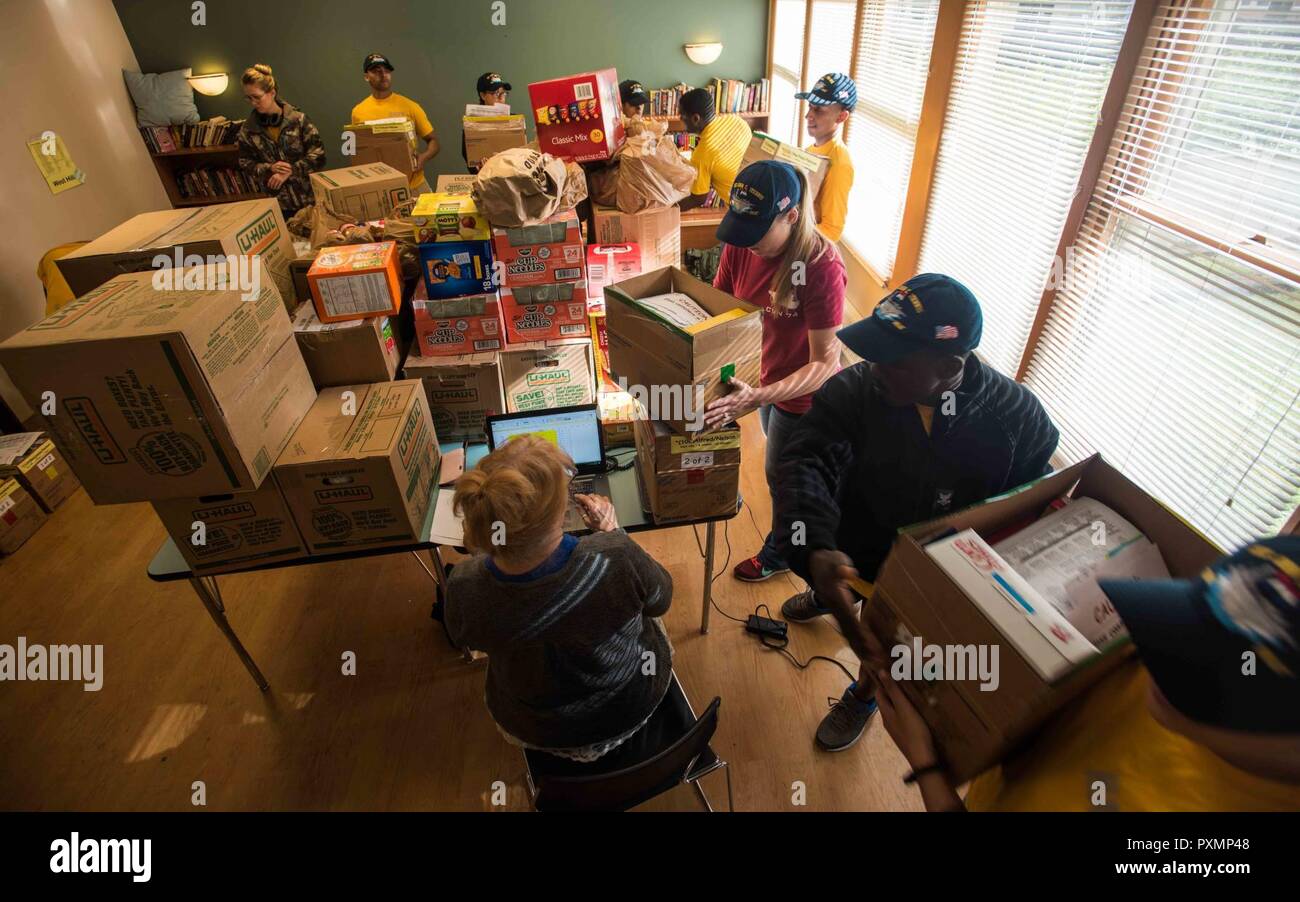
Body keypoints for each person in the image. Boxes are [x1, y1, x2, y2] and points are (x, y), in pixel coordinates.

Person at [775, 274, 1060, 752]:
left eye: (895, 359)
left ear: (950, 364)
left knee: (885, 641)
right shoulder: (857, 391)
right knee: (839, 578)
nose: (875, 366)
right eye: (875, 350)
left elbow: (1031, 494)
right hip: (857, 542)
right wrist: (816, 546)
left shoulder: (1017, 416)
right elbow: (805, 462)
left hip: (933, 572)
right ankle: (829, 592)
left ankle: (864, 694)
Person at [873, 535, 1300, 811]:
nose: (1161, 658)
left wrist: (926, 766)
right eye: (1178, 628)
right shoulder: (1150, 670)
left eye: (1199, 671)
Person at [444, 435, 675, 762]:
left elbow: (463, 636)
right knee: (645, 601)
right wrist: (612, 535)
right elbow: (661, 600)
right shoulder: (615, 557)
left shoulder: (465, 585)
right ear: (561, 510)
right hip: (628, 708)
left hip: (533, 727)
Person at [699, 161, 845, 586]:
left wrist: (758, 396)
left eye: (757, 232)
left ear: (792, 216)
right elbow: (720, 307)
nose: (746, 244)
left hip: (804, 397)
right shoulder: (742, 245)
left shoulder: (821, 267)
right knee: (775, 467)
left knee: (782, 478)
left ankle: (782, 552)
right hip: (762, 381)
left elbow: (824, 363)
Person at [237, 64, 325, 218]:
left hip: (310, 202)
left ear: (272, 93)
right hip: (277, 206)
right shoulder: (248, 129)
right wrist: (270, 168)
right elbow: (245, 163)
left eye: (257, 97)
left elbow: (318, 156)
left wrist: (290, 171)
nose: (253, 103)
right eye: (248, 98)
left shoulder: (299, 120)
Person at [350, 53, 440, 192]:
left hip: (414, 185)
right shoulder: (358, 111)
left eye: (386, 70)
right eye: (376, 71)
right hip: (379, 187)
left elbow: (433, 141)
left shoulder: (410, 106)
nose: (383, 74)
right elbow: (352, 149)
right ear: (366, 76)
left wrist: (423, 158)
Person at [795, 72, 857, 243]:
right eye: (810, 107)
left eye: (819, 110)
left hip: (803, 252)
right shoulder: (809, 150)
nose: (808, 115)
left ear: (841, 116)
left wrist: (790, 245)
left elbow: (831, 229)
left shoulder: (839, 163)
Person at [677, 87, 752, 211]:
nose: (680, 119)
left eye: (682, 115)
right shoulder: (738, 121)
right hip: (762, 191)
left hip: (745, 209)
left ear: (695, 118)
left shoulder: (702, 154)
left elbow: (699, 198)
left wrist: (668, 209)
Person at [461, 71, 512, 173]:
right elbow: (471, 163)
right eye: (496, 93)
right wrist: (481, 168)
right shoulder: (471, 127)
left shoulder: (514, 121)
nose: (501, 98)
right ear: (483, 95)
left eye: (504, 93)